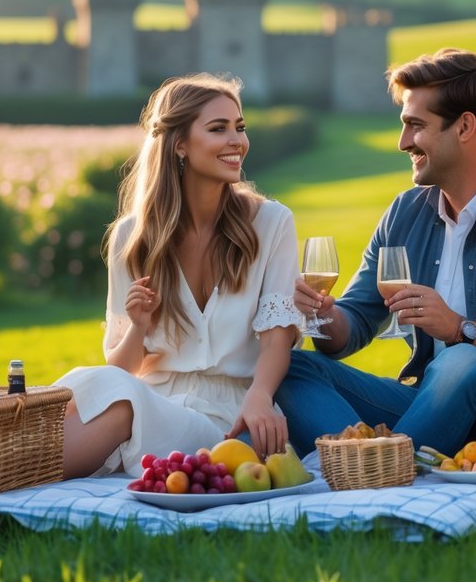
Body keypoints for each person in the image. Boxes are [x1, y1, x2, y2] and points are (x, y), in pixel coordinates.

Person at [275, 48, 476, 457]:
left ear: (464, 127)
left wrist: (461, 329)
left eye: (415, 126)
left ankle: (382, 465)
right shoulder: (405, 214)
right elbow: (351, 325)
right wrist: (323, 313)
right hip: (433, 408)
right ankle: (376, 461)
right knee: (289, 366)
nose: (403, 141)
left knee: (461, 361)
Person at [52, 73, 303, 478]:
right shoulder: (131, 237)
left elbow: (278, 335)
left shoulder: (271, 223)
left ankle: (3, 478)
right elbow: (120, 369)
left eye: (239, 127)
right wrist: (139, 327)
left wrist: (260, 396)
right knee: (99, 388)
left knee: (120, 404)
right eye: (218, 128)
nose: (236, 141)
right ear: (179, 144)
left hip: (230, 414)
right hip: (152, 398)